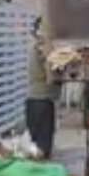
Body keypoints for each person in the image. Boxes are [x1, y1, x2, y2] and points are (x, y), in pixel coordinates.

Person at [25, 26, 60, 159]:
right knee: (43, 145)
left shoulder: (35, 46)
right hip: (42, 99)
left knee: (34, 142)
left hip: (34, 99)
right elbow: (50, 74)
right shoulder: (41, 47)